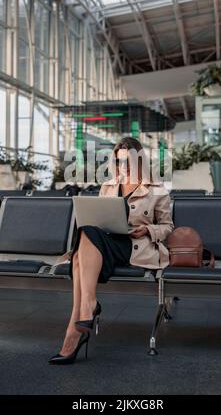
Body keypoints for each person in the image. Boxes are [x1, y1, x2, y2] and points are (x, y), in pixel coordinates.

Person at [49, 136, 174, 365]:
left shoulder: (157, 189)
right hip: (106, 243)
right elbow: (98, 219)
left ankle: (75, 328)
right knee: (86, 233)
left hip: (135, 246)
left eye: (128, 162)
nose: (123, 167)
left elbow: (167, 227)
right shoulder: (108, 186)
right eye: (119, 162)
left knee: (79, 256)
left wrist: (147, 229)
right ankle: (86, 310)